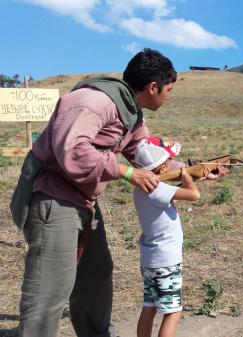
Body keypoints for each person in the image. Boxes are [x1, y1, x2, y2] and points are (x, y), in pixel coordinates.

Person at [10, 48, 178, 337]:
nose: (169, 96)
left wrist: (196, 170)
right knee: (49, 292)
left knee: (95, 278)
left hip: (84, 202)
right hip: (53, 198)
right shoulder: (93, 102)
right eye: (169, 90)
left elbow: (145, 154)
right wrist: (126, 172)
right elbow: (73, 150)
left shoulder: (130, 113)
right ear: (153, 87)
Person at [133, 139, 225, 337]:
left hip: (150, 259)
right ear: (162, 168)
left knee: (149, 307)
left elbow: (175, 191)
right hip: (167, 260)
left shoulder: (141, 189)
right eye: (167, 163)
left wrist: (199, 175)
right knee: (173, 311)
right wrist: (186, 175)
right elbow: (194, 195)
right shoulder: (158, 189)